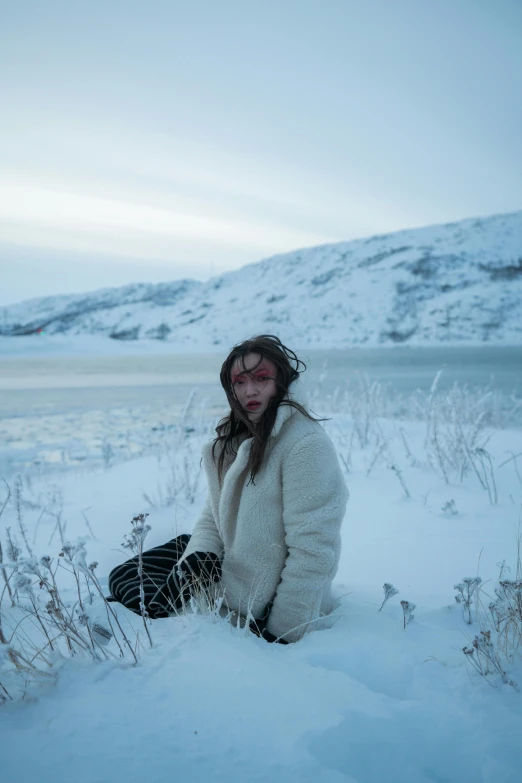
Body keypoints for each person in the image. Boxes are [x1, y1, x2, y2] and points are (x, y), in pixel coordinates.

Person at [108, 334, 349, 643]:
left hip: (262, 594)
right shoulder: (236, 442)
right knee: (127, 575)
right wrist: (201, 556)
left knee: (148, 595)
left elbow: (316, 549)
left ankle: (170, 604)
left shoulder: (306, 445)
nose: (250, 391)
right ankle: (181, 584)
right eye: (239, 382)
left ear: (282, 382)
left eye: (261, 378)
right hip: (230, 560)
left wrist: (283, 630)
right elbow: (212, 516)